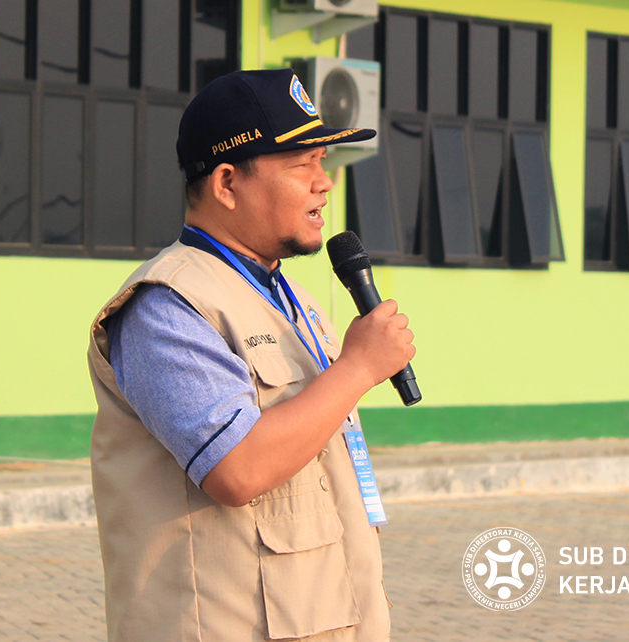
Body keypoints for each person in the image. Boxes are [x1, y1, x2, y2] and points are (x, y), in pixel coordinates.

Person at [87, 68, 415, 642]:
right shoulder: (169, 305)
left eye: (323, 163)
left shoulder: (294, 299)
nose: (324, 184)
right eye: (302, 165)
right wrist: (359, 367)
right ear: (227, 183)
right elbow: (236, 470)